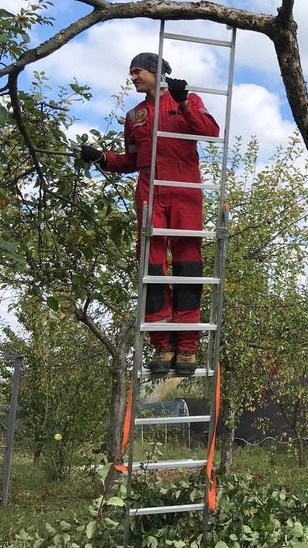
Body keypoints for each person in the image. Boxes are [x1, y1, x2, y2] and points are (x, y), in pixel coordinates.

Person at [78, 52, 220, 376]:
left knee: (187, 268)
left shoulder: (187, 99)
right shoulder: (134, 115)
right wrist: (102, 157)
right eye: (131, 73)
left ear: (155, 72)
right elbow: (131, 160)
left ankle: (186, 346)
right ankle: (162, 345)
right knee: (151, 267)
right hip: (150, 194)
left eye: (137, 71)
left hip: (185, 193)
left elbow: (211, 132)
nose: (133, 78)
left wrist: (184, 103)